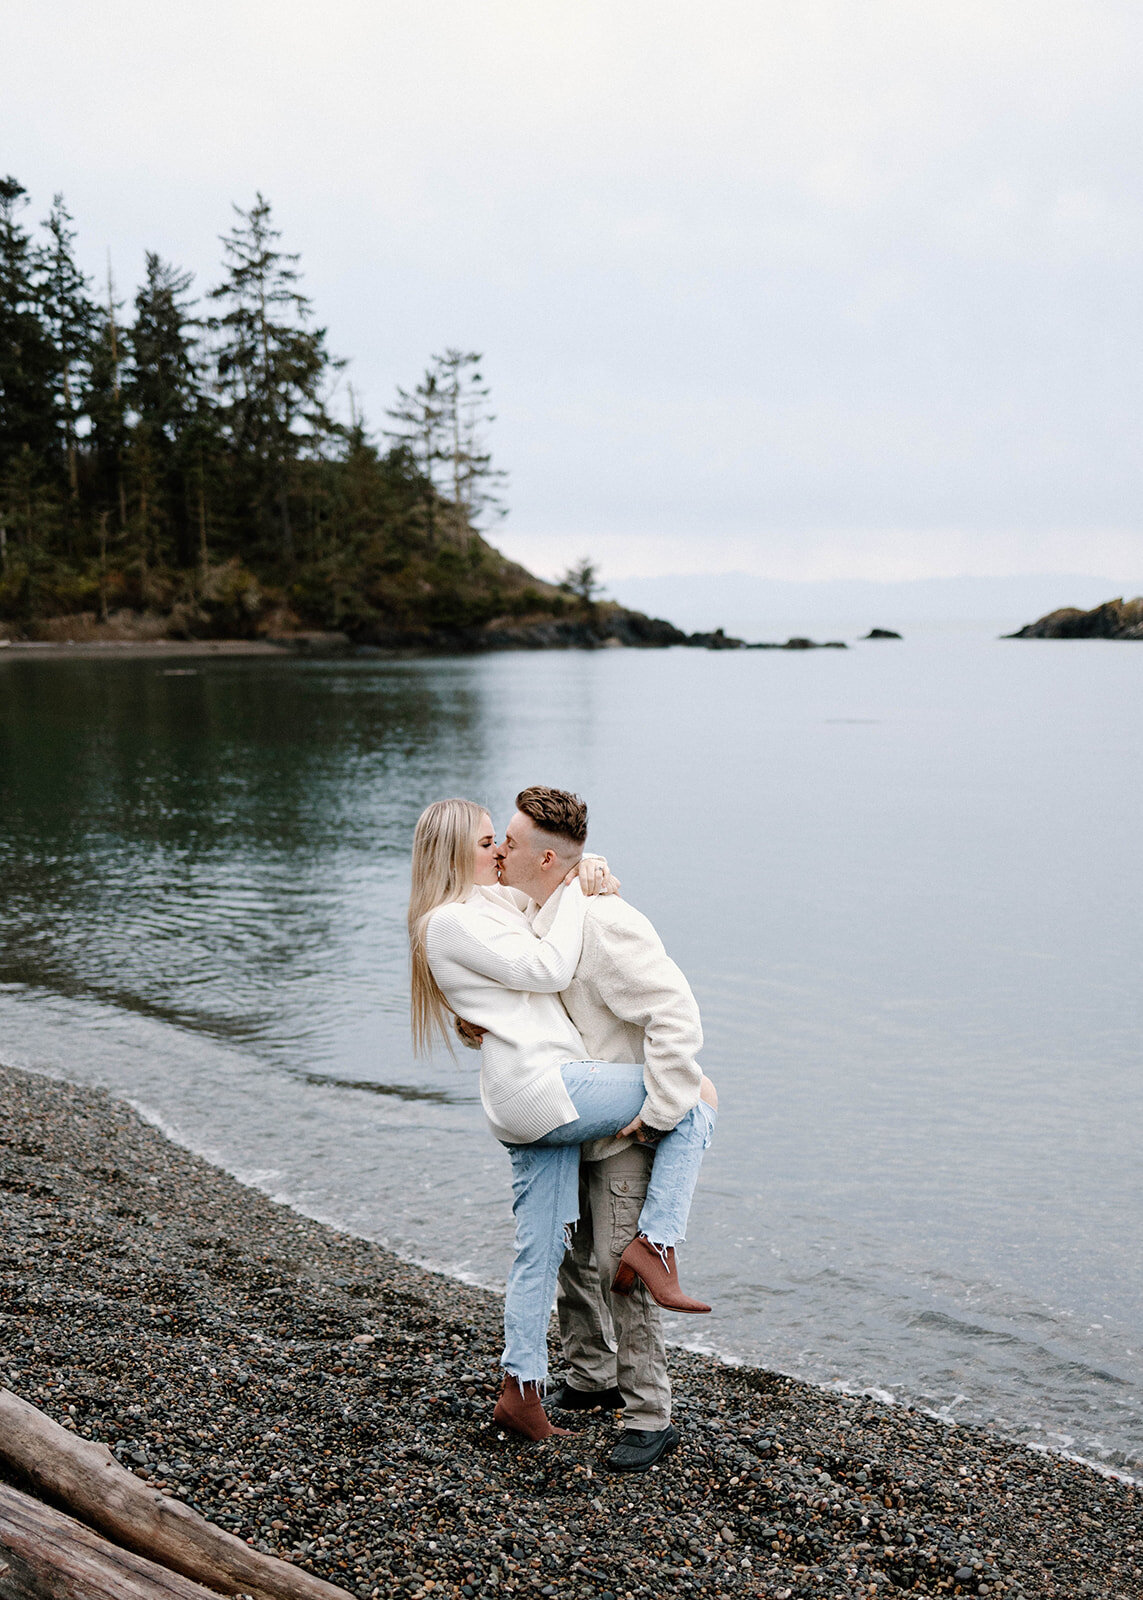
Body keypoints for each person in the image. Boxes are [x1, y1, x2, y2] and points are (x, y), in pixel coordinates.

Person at [408, 796, 716, 1445]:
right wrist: (577, 882)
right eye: (489, 841)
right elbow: (541, 967)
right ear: (454, 852)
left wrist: (584, 873)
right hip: (545, 1090)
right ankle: (654, 1249)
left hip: (553, 1093)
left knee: (546, 1250)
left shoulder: (497, 906)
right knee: (692, 1095)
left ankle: (527, 1391)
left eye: (505, 842)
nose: (498, 852)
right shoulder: (450, 921)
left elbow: (537, 918)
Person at [496, 786, 713, 1472]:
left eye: (510, 841)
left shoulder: (605, 918)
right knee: (570, 1257)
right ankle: (591, 1379)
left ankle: (650, 1413)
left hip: (621, 1125)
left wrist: (662, 1113)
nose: (500, 849)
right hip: (567, 1118)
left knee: (623, 1264)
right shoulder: (530, 912)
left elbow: (675, 1014)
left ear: (548, 856)